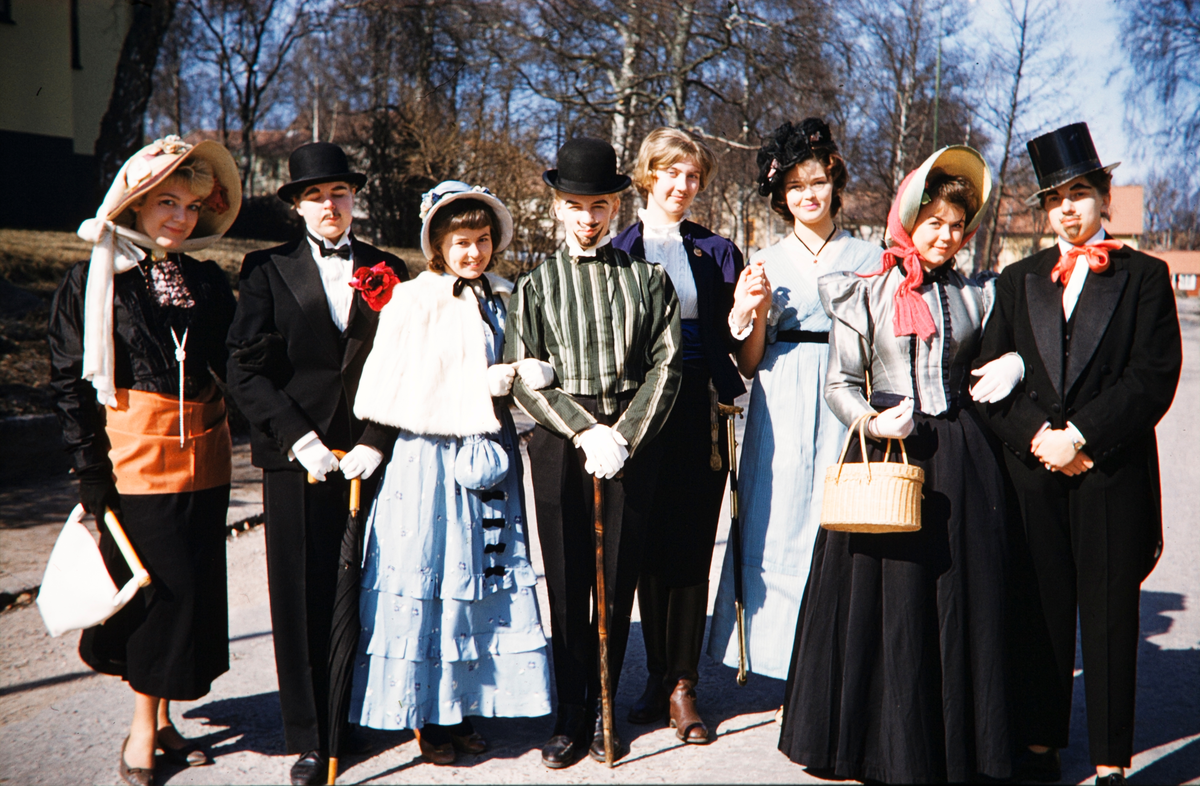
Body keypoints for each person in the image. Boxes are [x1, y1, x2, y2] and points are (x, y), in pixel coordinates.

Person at [779, 146, 1020, 783]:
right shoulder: (862, 292)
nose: (945, 236)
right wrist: (871, 420)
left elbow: (1003, 352)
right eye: (934, 222)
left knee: (955, 600)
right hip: (886, 456)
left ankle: (953, 747)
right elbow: (839, 384)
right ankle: (880, 746)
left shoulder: (978, 295)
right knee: (889, 601)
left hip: (960, 458)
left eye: (957, 225)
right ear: (909, 219)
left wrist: (1014, 361)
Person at [975, 123, 1182, 786]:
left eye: (1079, 194)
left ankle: (1110, 759)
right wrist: (1041, 437)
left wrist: (1081, 435)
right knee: (1039, 611)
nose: (1067, 208)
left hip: (1109, 472)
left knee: (1111, 617)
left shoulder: (1145, 277)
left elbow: (1152, 377)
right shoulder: (1017, 280)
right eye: (1054, 199)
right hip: (1034, 472)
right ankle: (1039, 745)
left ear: (1104, 199)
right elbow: (985, 379)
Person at [48, 135, 242, 786]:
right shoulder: (94, 279)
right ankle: (141, 729)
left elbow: (235, 360)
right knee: (156, 592)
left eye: (191, 206)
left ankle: (162, 722)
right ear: (134, 203)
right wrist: (89, 471)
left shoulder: (205, 279)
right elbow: (69, 384)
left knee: (190, 592)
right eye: (167, 202)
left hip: (205, 453)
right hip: (133, 457)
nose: (181, 218)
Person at [347, 181, 554, 764]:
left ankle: (462, 705)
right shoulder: (414, 299)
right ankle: (426, 715)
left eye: (482, 240)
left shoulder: (502, 296)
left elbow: (511, 363)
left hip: (488, 453)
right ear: (438, 245)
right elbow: (393, 378)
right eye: (461, 242)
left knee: (481, 576)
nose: (474, 252)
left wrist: (520, 377)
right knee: (432, 576)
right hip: (429, 458)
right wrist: (373, 444)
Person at [224, 142, 408, 785]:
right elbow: (244, 369)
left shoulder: (388, 268)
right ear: (297, 206)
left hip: (369, 455)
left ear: (354, 199)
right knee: (302, 593)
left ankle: (357, 711)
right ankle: (311, 734)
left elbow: (406, 365)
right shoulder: (265, 270)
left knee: (370, 587)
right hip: (297, 458)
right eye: (315, 196)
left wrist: (377, 438)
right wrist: (298, 438)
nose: (329, 205)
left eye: (339, 193)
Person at [503, 137, 682, 767]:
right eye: (576, 205)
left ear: (616, 207)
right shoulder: (533, 286)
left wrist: (623, 435)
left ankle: (606, 706)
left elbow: (668, 366)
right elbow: (521, 374)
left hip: (631, 442)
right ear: (557, 206)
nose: (588, 217)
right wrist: (584, 430)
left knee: (616, 580)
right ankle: (570, 712)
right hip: (562, 444)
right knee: (567, 579)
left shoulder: (648, 280)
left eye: (600, 205)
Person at [706, 119, 881, 683]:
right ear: (782, 197)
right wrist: (754, 310)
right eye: (796, 187)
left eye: (817, 182)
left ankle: (832, 668)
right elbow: (749, 362)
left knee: (838, 523)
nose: (809, 195)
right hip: (781, 397)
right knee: (776, 521)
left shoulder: (871, 255)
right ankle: (781, 666)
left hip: (845, 393)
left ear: (835, 182)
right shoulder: (765, 260)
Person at [610, 128, 742, 744]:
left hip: (698, 406)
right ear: (648, 176)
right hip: (637, 408)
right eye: (672, 173)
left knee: (689, 546)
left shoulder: (717, 251)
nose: (683, 186)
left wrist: (750, 311)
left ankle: (684, 685)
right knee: (645, 545)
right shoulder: (617, 248)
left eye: (693, 176)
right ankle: (656, 674)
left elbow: (734, 336)